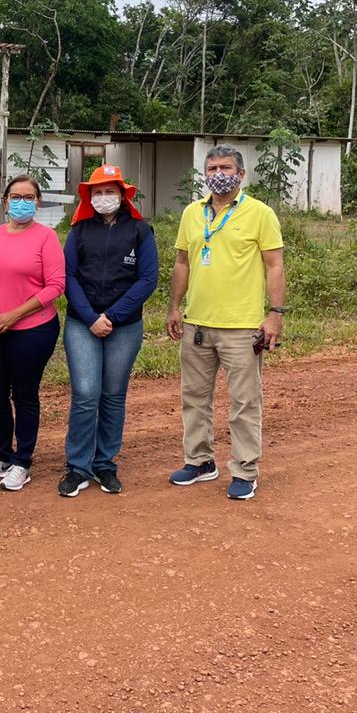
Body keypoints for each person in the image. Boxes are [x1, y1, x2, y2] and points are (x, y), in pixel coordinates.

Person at [165, 145, 286, 501]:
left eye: (226, 167)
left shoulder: (260, 214)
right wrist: (174, 306)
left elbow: (274, 266)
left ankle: (245, 470)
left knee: (245, 402)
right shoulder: (191, 213)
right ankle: (200, 461)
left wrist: (274, 315)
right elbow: (183, 263)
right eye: (212, 167)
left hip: (242, 326)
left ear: (241, 174)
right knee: (194, 397)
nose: (219, 173)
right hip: (197, 323)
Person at [59, 165, 158, 498]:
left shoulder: (141, 231)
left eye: (109, 191)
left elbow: (148, 279)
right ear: (89, 197)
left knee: (113, 395)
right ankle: (77, 466)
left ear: (122, 194)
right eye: (97, 192)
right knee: (86, 393)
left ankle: (104, 463)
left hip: (124, 326)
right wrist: (90, 317)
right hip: (81, 322)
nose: (103, 198)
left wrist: (112, 316)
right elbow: (68, 276)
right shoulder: (80, 231)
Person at [0, 175, 66, 492]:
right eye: (15, 195)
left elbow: (56, 286)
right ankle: (1, 454)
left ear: (37, 201)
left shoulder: (46, 237)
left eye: (28, 196)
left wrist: (13, 314)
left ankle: (22, 461)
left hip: (33, 329)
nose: (21, 201)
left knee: (23, 395)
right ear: (6, 200)